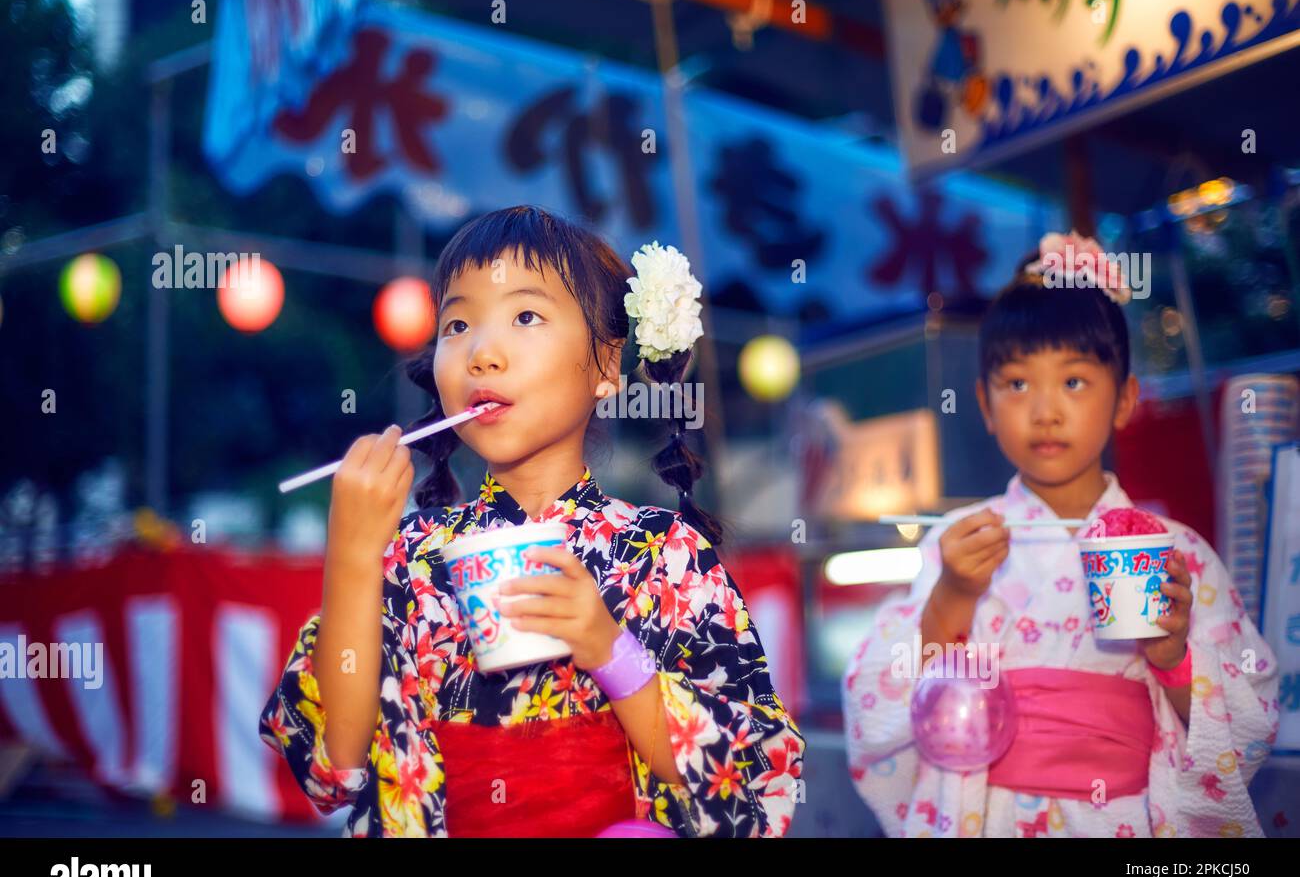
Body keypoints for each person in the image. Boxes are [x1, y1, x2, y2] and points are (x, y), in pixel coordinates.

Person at [260, 205, 804, 836]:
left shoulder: (664, 556)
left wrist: (608, 648)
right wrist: (354, 557)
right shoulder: (408, 554)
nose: (482, 353)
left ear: (605, 365)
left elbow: (758, 785)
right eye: (457, 322)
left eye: (525, 316)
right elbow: (339, 769)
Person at [841, 232, 1279, 837]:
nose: (1045, 411)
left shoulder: (1175, 552)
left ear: (1125, 399)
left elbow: (1251, 722)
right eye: (1017, 384)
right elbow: (875, 705)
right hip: (985, 814)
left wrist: (1173, 659)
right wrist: (952, 597)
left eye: (1073, 382)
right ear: (985, 404)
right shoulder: (957, 542)